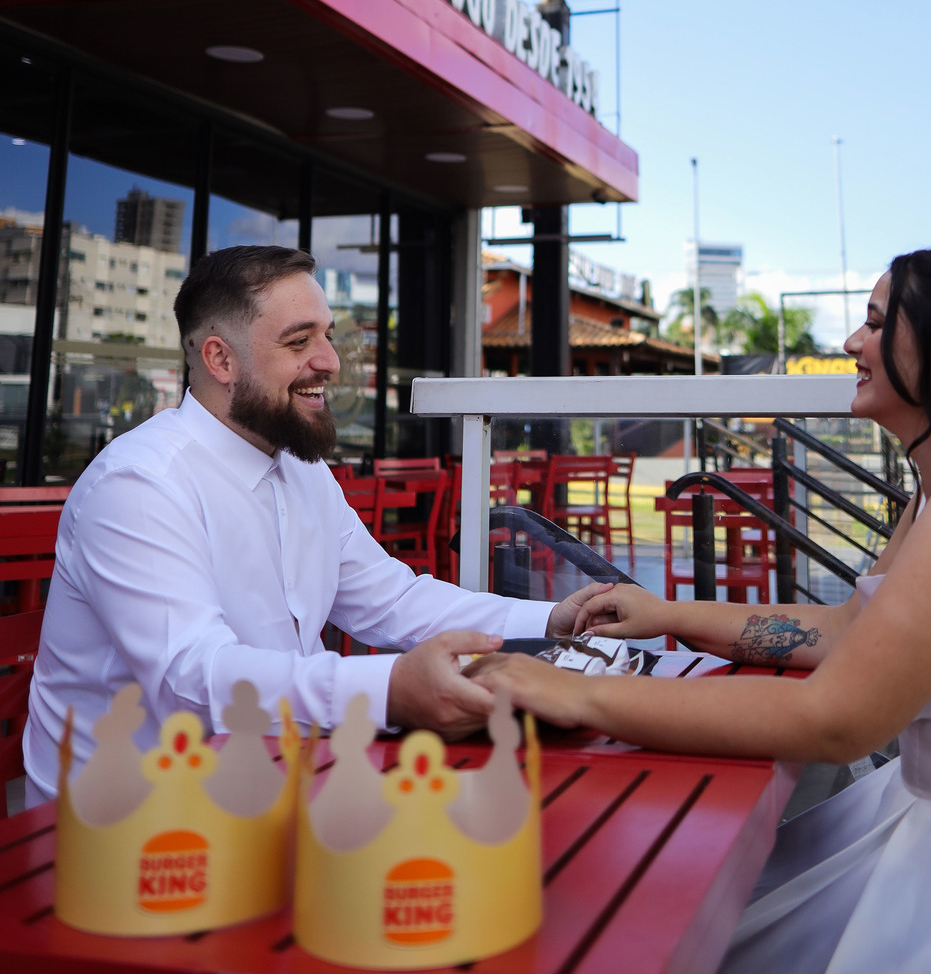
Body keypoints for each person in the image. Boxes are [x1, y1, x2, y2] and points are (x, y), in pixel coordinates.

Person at [471, 250, 931, 974]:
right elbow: (851, 630)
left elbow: (834, 722)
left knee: (675, 943)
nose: (853, 343)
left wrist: (576, 692)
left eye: (876, 324)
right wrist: (666, 614)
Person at [24, 245, 599, 805]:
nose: (330, 361)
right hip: (122, 822)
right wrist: (391, 691)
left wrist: (555, 620)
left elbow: (391, 600)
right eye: (299, 341)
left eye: (326, 335)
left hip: (269, 784)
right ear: (221, 360)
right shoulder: (140, 484)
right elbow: (192, 683)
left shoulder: (302, 469)